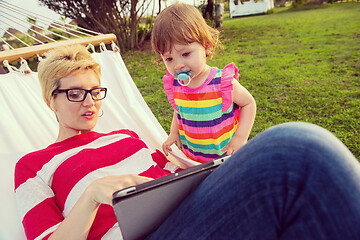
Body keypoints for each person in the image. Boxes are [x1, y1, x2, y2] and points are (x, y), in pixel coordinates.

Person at [14, 45, 360, 240]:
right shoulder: (32, 166)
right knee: (296, 148)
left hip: (190, 216)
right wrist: (91, 196)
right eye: (75, 93)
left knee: (296, 193)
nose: (89, 102)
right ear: (50, 100)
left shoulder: (126, 137)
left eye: (95, 92)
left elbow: (175, 177)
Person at [151, 3, 257, 163]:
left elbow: (248, 104)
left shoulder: (222, 82)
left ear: (206, 46)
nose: (178, 65)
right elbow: (179, 109)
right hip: (194, 161)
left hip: (226, 159)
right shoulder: (177, 85)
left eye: (185, 54)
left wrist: (240, 138)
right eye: (169, 59)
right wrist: (174, 133)